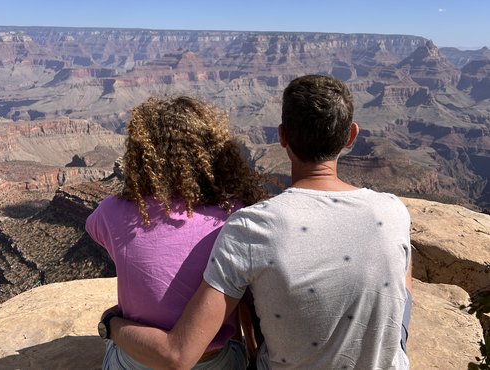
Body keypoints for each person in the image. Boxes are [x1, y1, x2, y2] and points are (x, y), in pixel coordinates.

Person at [103, 75, 413, 369]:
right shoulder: (393, 211)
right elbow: (402, 300)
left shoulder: (252, 227)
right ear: (351, 136)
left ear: (282, 136)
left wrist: (113, 323)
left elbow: (181, 352)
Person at [85, 96, 268, 369]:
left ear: (140, 156)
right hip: (216, 360)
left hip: (134, 359)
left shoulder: (111, 212)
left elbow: (111, 244)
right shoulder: (237, 213)